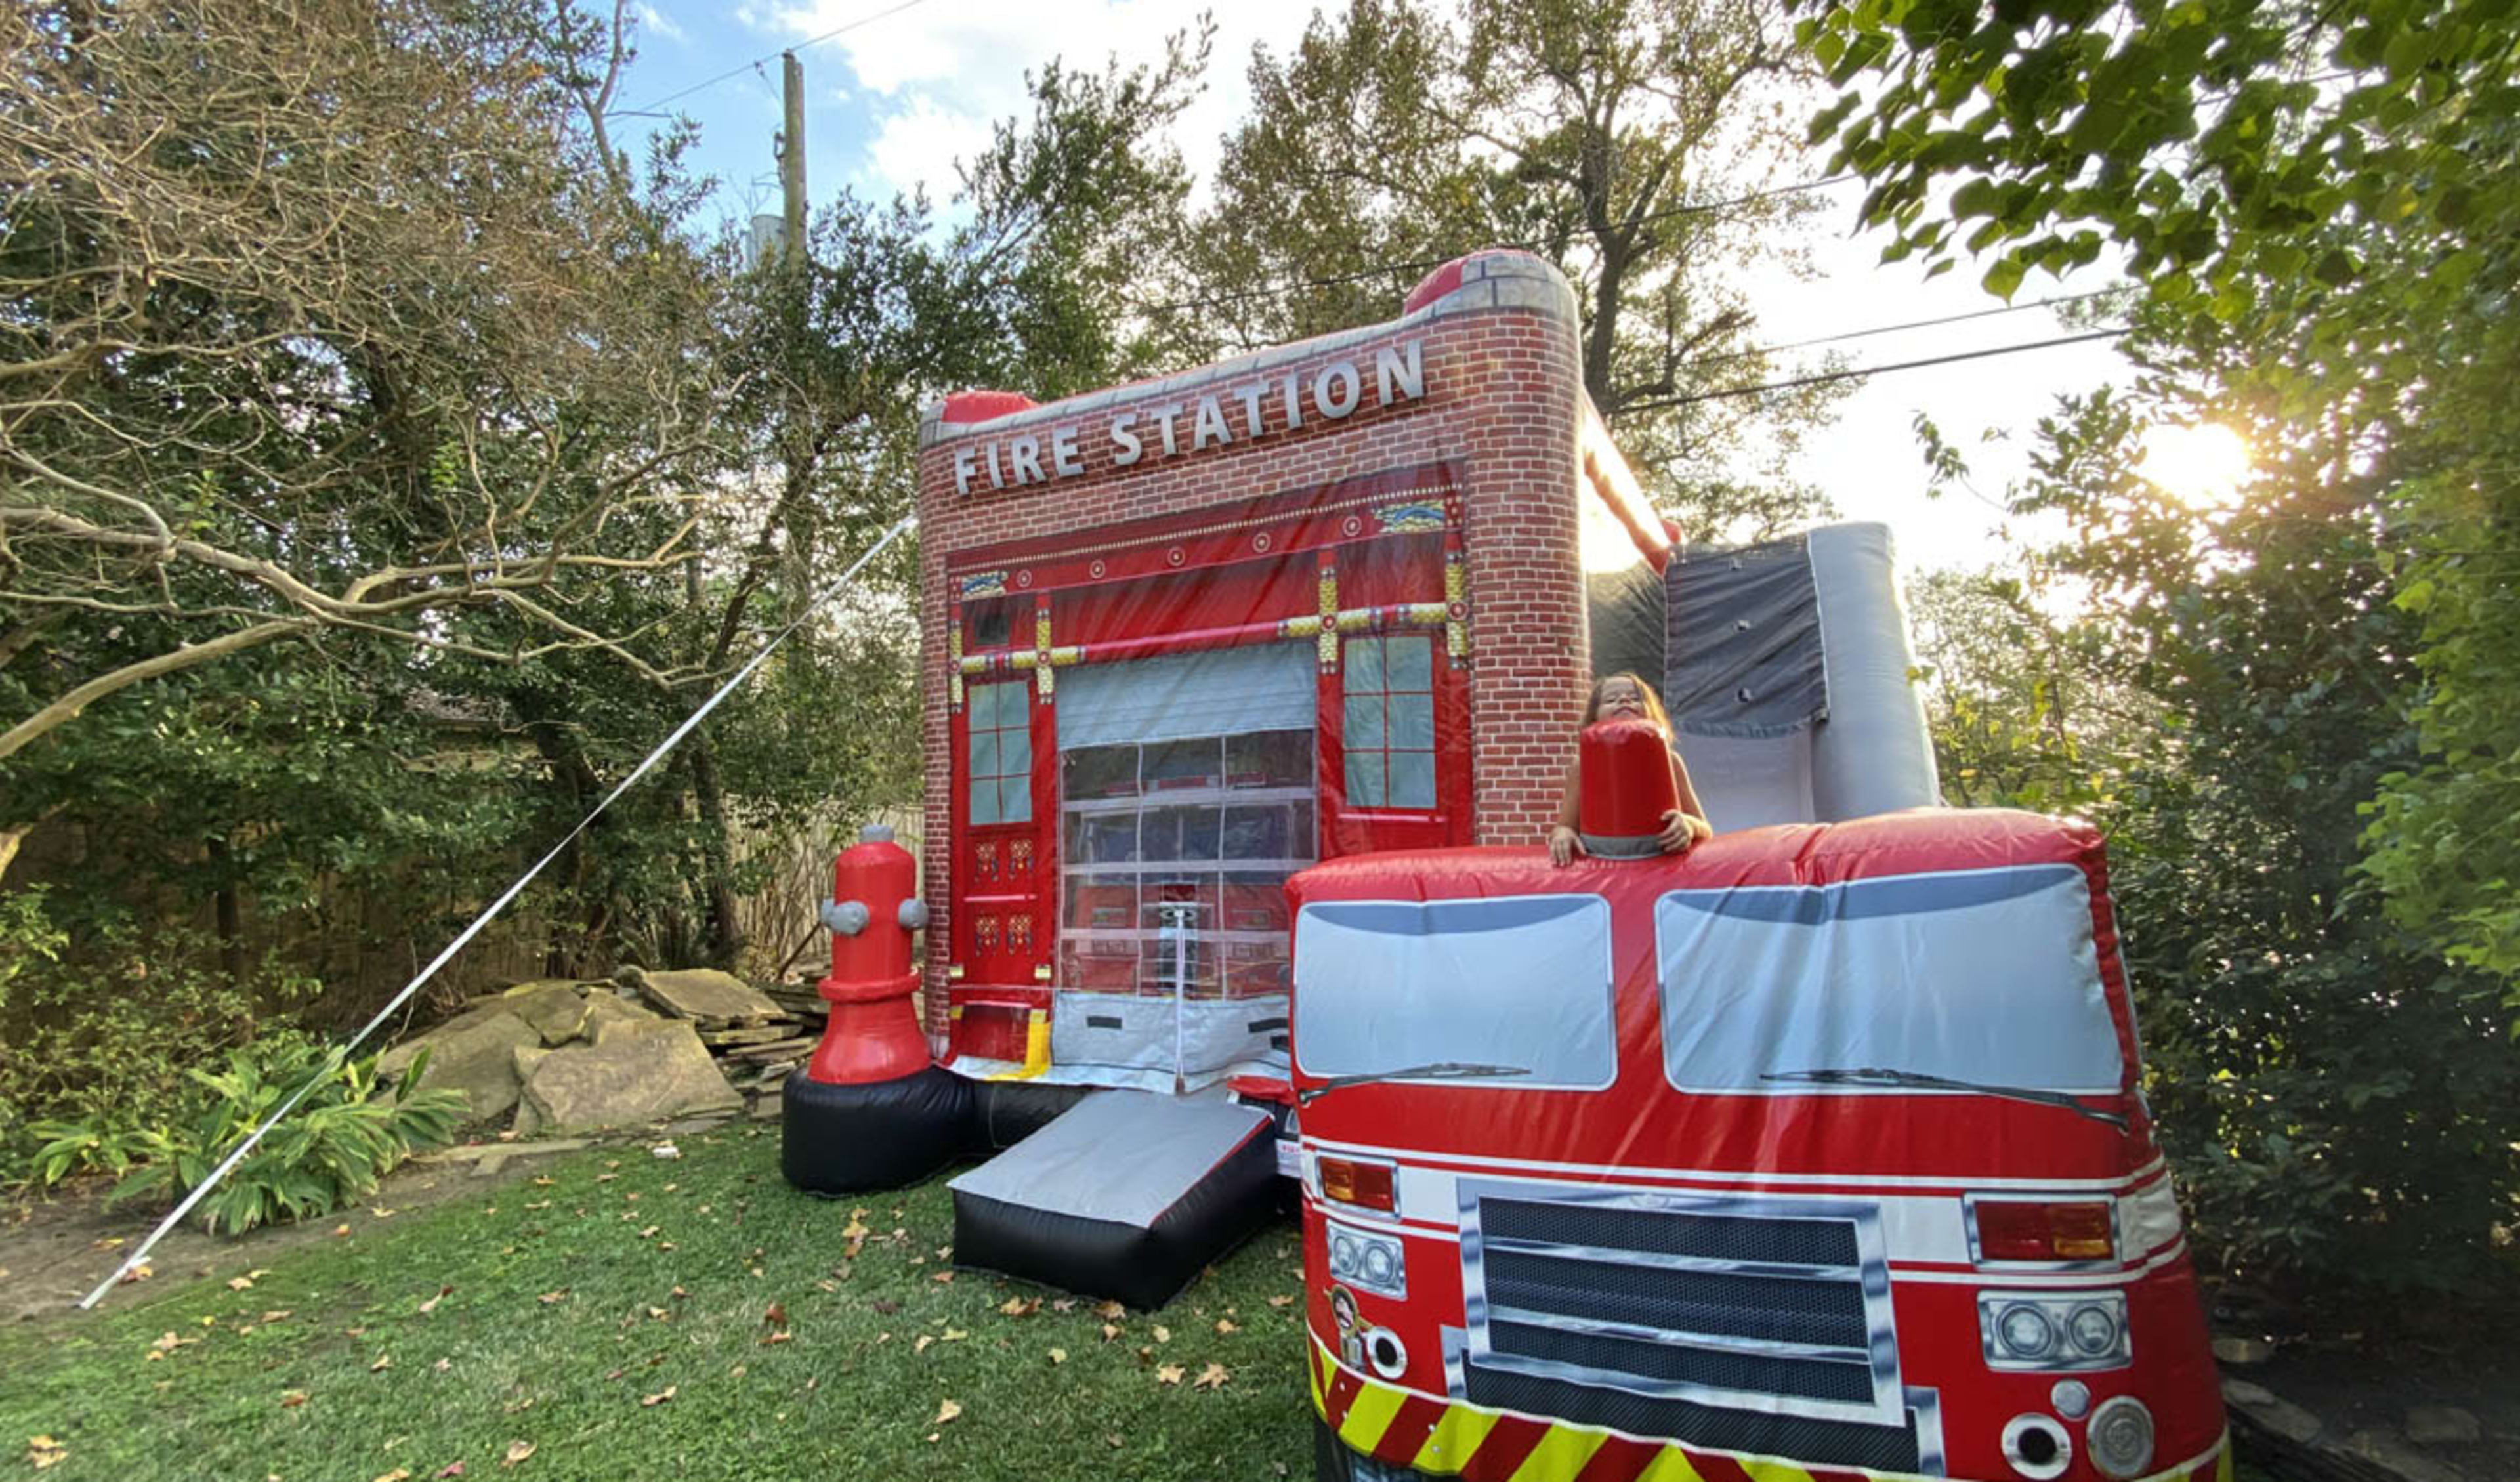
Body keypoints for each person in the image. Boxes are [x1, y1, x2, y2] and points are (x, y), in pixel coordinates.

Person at [1548, 673, 1712, 867]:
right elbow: (1564, 826)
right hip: (1604, 862)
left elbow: (1705, 829)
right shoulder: (1583, 766)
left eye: (1635, 698)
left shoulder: (1671, 762)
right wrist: (1563, 834)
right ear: (1594, 718)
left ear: (1651, 713)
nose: (1624, 700)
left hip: (1660, 861)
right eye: (1610, 699)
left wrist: (1689, 825)